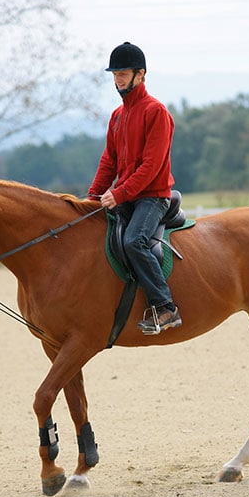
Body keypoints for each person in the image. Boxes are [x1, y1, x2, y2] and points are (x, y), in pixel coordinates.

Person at [88, 42, 182, 335]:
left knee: (133, 241)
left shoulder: (156, 112)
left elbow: (151, 166)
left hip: (152, 197)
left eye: (123, 73)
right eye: (115, 74)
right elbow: (108, 162)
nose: (118, 79)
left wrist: (119, 193)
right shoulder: (117, 116)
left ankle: (166, 307)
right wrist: (92, 197)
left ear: (140, 74)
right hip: (126, 195)